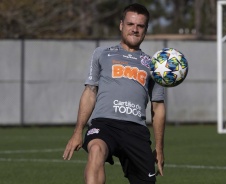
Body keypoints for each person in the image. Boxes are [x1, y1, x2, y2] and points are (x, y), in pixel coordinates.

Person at [63, 3, 166, 184]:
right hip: (104, 124)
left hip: (136, 130)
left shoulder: (154, 65)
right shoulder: (102, 54)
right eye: (130, 24)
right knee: (96, 150)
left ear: (146, 30)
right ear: (121, 25)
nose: (135, 30)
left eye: (140, 26)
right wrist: (78, 131)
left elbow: (158, 106)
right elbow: (90, 92)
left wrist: (159, 147)